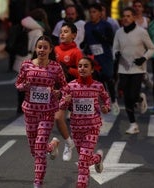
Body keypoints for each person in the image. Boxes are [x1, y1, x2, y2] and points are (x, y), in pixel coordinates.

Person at [15, 35, 68, 188]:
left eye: (45, 47)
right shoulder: (26, 65)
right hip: (30, 111)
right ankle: (52, 145)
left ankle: (38, 183)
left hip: (47, 111)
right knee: (35, 150)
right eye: (39, 47)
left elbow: (65, 87)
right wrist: (24, 86)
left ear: (51, 50)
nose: (42, 50)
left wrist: (58, 93)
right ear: (35, 49)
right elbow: (17, 84)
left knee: (39, 147)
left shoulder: (56, 67)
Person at [60, 56, 110, 187]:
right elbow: (61, 106)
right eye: (80, 66)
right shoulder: (70, 86)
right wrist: (65, 101)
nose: (82, 68)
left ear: (92, 69)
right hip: (76, 128)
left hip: (92, 127)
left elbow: (106, 99)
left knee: (82, 161)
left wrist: (106, 107)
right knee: (85, 160)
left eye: (86, 66)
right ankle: (98, 158)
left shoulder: (98, 86)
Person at [113, 7, 154, 134]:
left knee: (132, 95)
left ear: (133, 18)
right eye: (124, 16)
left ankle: (139, 98)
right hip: (123, 69)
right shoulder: (119, 32)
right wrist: (116, 54)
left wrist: (144, 58)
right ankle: (133, 124)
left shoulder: (141, 32)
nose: (125, 18)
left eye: (128, 16)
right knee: (126, 97)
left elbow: (152, 48)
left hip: (138, 69)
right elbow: (114, 48)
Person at [82, 3, 120, 116]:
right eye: (90, 12)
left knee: (109, 78)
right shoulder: (87, 25)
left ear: (100, 13)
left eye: (94, 12)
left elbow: (111, 41)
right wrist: (85, 45)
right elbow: (86, 39)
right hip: (93, 57)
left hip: (105, 56)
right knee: (98, 80)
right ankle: (104, 102)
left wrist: (101, 37)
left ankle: (114, 101)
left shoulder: (106, 25)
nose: (92, 14)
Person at [54, 22, 83, 162]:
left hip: (74, 90)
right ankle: (67, 142)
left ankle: (87, 156)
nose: (62, 34)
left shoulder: (76, 52)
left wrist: (68, 69)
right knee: (58, 118)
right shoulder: (55, 50)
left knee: (79, 126)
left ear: (74, 35)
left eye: (66, 31)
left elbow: (82, 73)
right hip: (58, 90)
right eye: (61, 31)